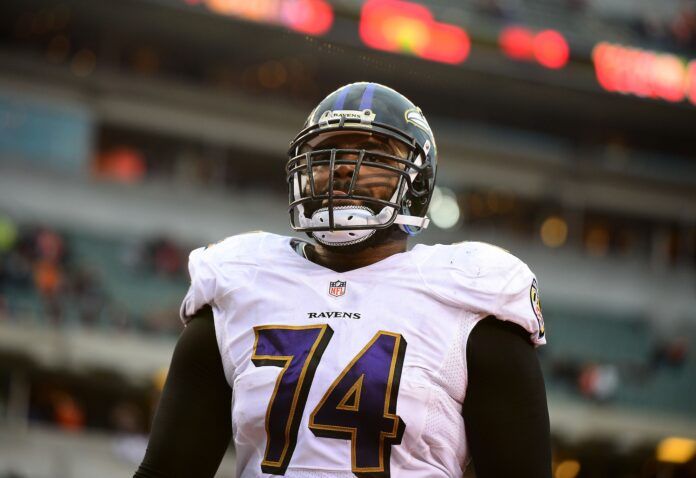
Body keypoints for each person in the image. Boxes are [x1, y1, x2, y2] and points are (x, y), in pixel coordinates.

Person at [134, 82, 550, 478]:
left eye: (371, 154)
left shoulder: (471, 301)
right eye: (326, 151)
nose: (343, 166)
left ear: (416, 184)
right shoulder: (239, 284)